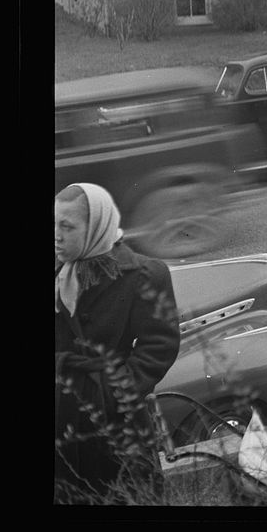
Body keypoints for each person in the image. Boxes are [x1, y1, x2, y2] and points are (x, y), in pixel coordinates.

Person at [55, 183, 180, 503]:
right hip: (61, 420)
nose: (56, 235)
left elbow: (159, 345)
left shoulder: (144, 274)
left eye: (66, 227)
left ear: (95, 227)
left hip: (120, 425)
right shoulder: (57, 271)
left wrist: (117, 390)